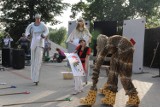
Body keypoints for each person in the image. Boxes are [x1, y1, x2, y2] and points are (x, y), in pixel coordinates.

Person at [80, 34, 140, 107]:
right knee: (124, 76)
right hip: (130, 50)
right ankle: (133, 98)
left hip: (125, 50)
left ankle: (110, 97)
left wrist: (93, 84)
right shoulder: (112, 41)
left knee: (114, 72)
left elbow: (98, 64)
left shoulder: (108, 44)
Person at [25, 13, 49, 85]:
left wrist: (43, 35)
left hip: (40, 42)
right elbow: (27, 30)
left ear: (40, 19)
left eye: (39, 18)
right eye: (36, 18)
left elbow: (47, 31)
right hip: (33, 42)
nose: (38, 19)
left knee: (38, 61)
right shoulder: (31, 25)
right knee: (33, 60)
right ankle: (33, 78)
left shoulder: (43, 25)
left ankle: (36, 79)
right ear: (35, 19)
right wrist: (28, 35)